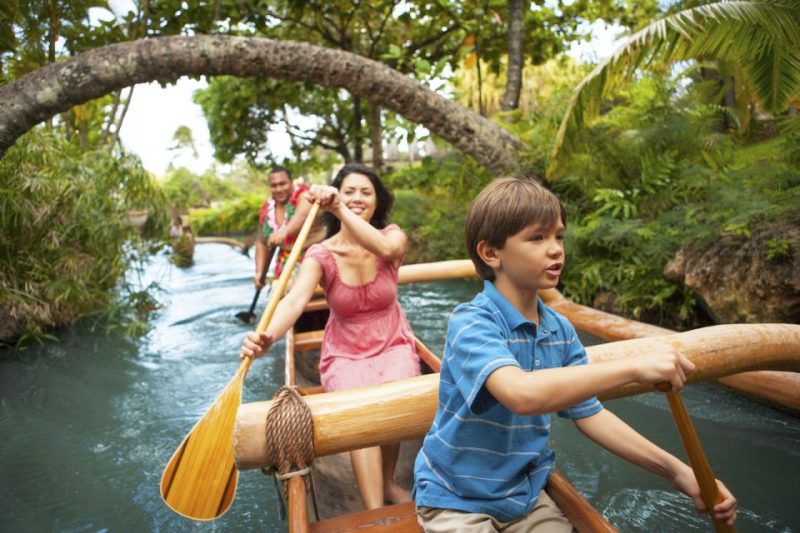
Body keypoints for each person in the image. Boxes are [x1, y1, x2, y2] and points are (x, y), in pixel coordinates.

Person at [412, 177, 737, 532]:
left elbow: (590, 413)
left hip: (524, 496)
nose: (555, 249)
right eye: (537, 238)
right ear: (491, 253)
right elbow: (522, 394)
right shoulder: (471, 322)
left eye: (559, 237)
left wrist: (679, 473)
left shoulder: (559, 330)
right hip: (455, 498)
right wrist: (632, 367)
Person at [241, 163, 421, 510]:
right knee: (361, 414)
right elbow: (294, 301)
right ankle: (374, 511)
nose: (357, 198)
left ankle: (386, 481)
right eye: (349, 191)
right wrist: (269, 336)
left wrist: (337, 204)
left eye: (365, 192)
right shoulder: (320, 254)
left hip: (392, 339)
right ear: (336, 197)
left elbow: (386, 250)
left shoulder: (392, 236)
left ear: (377, 201)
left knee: (396, 401)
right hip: (346, 350)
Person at [254, 166, 317, 287]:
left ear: (291, 182)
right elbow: (262, 243)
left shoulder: (305, 196)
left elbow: (302, 215)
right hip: (286, 265)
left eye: (282, 184)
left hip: (315, 260)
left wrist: (284, 232)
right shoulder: (267, 210)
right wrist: (260, 273)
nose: (278, 189)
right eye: (274, 185)